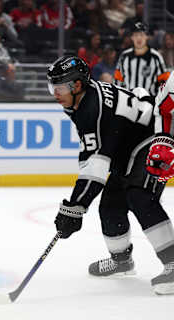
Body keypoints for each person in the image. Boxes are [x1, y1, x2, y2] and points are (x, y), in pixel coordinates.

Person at [47, 55, 174, 295]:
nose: (55, 93)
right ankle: (122, 261)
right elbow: (97, 156)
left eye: (60, 86)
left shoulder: (90, 108)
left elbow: (95, 168)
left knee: (139, 195)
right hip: (127, 149)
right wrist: (76, 206)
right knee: (111, 205)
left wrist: (74, 208)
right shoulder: (84, 99)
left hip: (152, 139)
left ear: (76, 85)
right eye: (52, 86)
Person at [114, 22, 169, 96]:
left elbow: (164, 82)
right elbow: (117, 81)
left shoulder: (156, 57)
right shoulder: (124, 56)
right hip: (127, 102)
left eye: (142, 35)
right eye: (136, 35)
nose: (139, 38)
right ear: (132, 37)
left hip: (149, 103)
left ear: (147, 37)